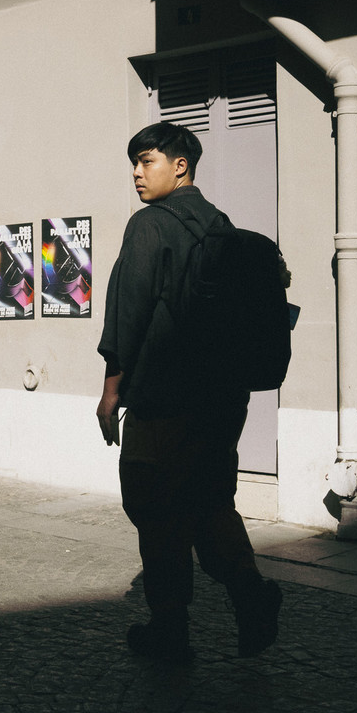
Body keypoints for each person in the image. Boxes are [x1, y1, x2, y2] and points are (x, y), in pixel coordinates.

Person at [95, 122, 282, 661]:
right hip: (223, 402)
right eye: (134, 162)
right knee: (209, 501)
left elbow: (126, 315)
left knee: (156, 510)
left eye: (147, 161)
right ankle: (251, 596)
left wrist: (111, 393)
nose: (136, 172)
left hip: (165, 402)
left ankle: (170, 631)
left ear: (180, 166)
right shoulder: (220, 224)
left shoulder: (149, 225)